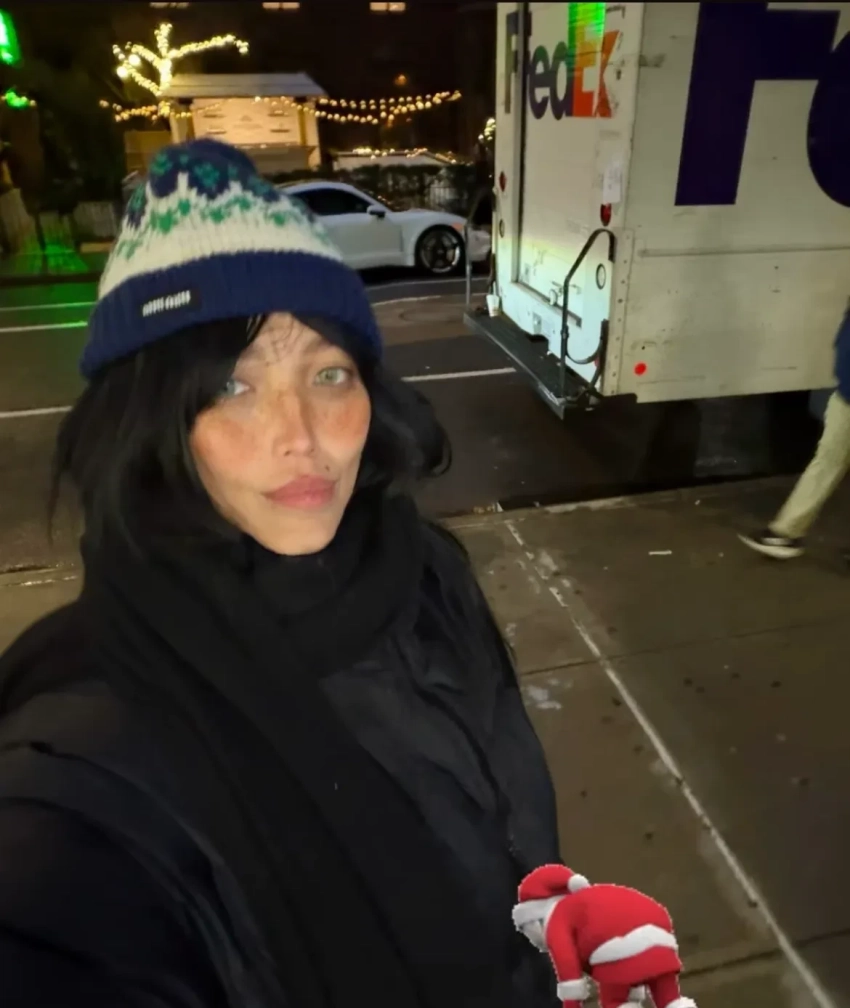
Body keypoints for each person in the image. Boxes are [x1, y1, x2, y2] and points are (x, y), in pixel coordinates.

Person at [0, 139, 560, 1008]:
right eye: (233, 386)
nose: (302, 436)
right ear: (149, 420)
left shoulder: (423, 574)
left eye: (329, 373)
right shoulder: (75, 772)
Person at [740, 308, 850, 559]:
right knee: (827, 461)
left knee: (827, 462)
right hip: (846, 394)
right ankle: (785, 533)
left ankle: (785, 533)